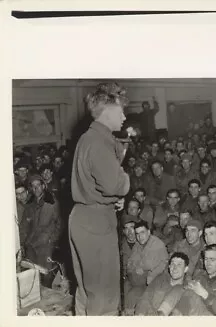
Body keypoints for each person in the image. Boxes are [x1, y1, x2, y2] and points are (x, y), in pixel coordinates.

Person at [69, 82, 131, 315]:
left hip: (83, 217)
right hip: (95, 223)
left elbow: (100, 185)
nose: (124, 117)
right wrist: (124, 179)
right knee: (104, 297)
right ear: (107, 111)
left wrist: (113, 196)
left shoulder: (88, 138)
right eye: (120, 111)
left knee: (87, 291)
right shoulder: (100, 141)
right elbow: (114, 183)